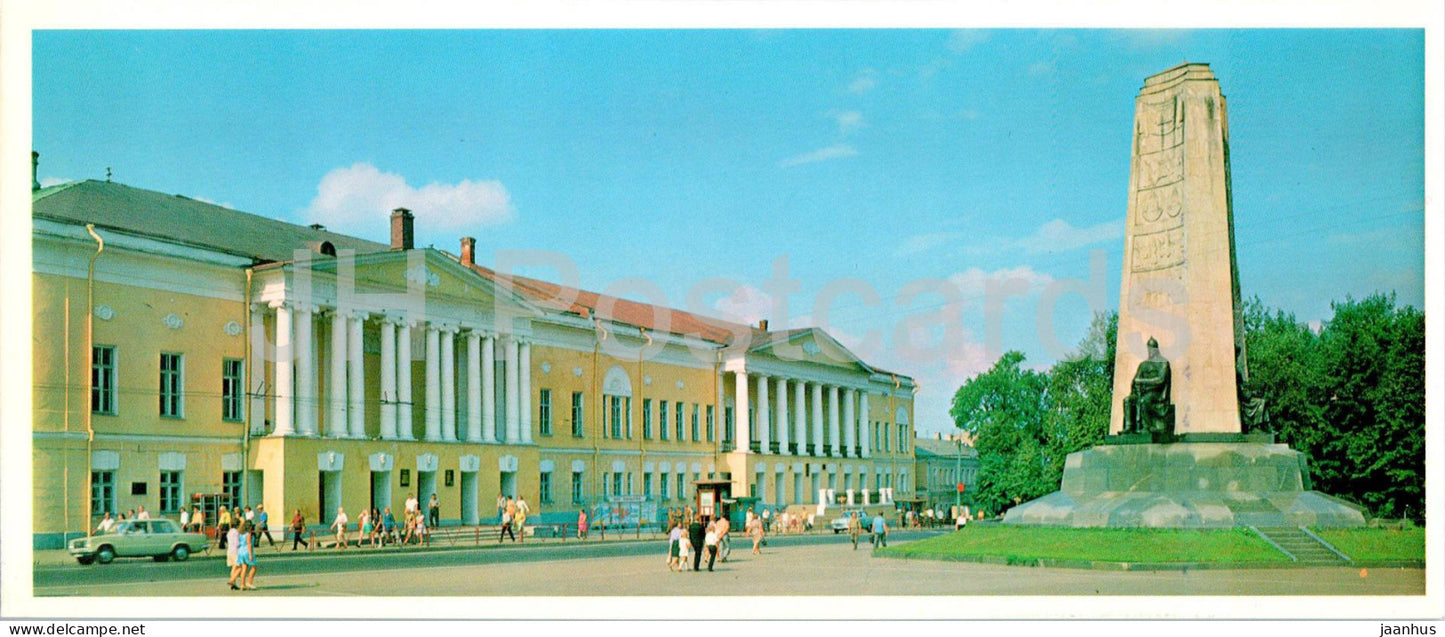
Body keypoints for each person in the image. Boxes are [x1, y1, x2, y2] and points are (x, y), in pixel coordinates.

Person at [236, 521, 257, 590]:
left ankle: (242, 585)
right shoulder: (248, 534)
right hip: (247, 551)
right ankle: (249, 582)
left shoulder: (240, 533)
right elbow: (249, 544)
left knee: (244, 568)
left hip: (241, 551)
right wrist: (250, 554)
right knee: (254, 567)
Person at [225, 523, 242, 590]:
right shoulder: (236, 532)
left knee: (233, 568)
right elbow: (237, 543)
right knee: (240, 567)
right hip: (235, 551)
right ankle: (232, 580)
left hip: (229, 551)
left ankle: (233, 584)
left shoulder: (229, 532)